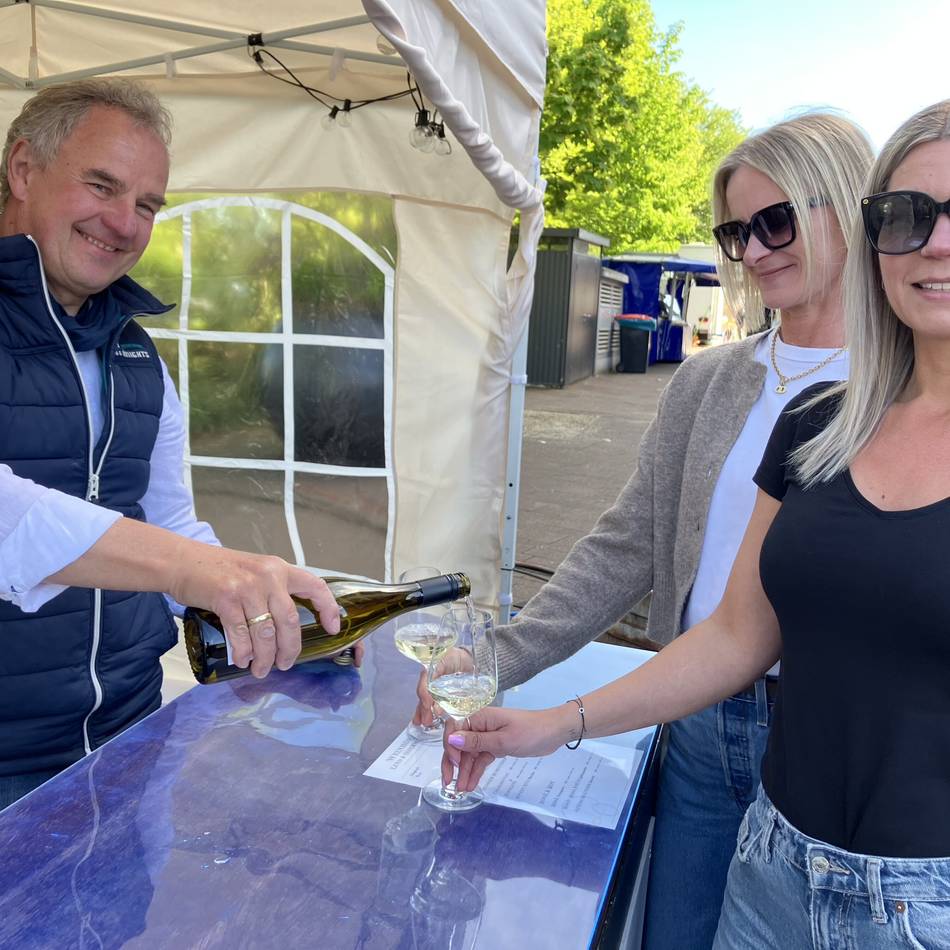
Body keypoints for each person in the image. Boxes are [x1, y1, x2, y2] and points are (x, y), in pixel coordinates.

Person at [439, 98, 950, 948]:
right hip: (707, 727)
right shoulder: (736, 390)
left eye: (776, 221)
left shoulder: (893, 374)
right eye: (735, 233)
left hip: (867, 773)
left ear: (846, 208)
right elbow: (631, 550)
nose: (754, 250)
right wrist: (506, 662)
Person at [0, 79, 342, 810]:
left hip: (129, 738)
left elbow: (173, 528)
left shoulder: (136, 355)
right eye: (102, 185)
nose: (124, 223)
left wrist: (275, 615)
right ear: (23, 170)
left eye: (148, 204)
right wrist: (197, 569)